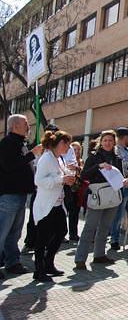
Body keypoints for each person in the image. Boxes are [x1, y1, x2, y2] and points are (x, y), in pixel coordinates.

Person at [75, 130, 128, 270]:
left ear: (114, 142)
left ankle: (99, 255)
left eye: (110, 141)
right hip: (97, 195)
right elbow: (84, 175)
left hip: (112, 195)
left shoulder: (117, 158)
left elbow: (120, 176)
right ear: (101, 141)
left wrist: (125, 181)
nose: (108, 143)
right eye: (105, 140)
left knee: (105, 227)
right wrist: (98, 166)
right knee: (90, 227)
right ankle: (80, 258)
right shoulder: (94, 156)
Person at [0, 114, 43, 279]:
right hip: (9, 195)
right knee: (3, 232)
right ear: (15, 126)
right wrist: (31, 154)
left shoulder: (19, 143)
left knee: (15, 233)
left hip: (20, 194)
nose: (28, 126)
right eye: (25, 123)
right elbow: (10, 166)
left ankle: (12, 262)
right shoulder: (7, 143)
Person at [32, 130, 76, 282]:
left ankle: (48, 263)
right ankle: (39, 269)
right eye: (66, 144)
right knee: (42, 238)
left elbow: (60, 177)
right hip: (46, 205)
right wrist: (61, 179)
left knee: (61, 231)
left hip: (57, 204)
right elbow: (38, 181)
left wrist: (67, 178)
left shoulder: (59, 159)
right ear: (58, 143)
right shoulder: (46, 158)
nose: (68, 147)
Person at [66, 141, 84, 242]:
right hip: (67, 189)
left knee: (75, 213)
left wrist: (77, 168)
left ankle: (73, 234)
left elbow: (84, 172)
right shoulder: (66, 159)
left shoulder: (80, 161)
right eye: (74, 149)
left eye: (78, 149)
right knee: (64, 212)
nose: (76, 151)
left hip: (77, 190)